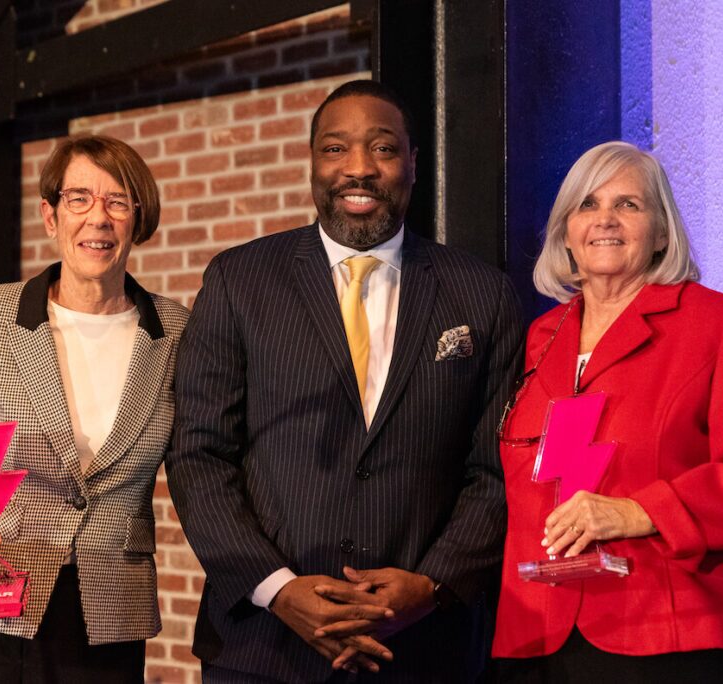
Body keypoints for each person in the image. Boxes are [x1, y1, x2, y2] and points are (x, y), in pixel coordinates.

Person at [166, 79, 524, 682]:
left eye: (382, 148)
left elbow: (495, 468)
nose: (358, 168)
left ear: (413, 162)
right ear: (312, 162)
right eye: (335, 149)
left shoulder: (481, 293)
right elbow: (199, 454)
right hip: (264, 650)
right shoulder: (239, 280)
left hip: (424, 650)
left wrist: (432, 585)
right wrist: (277, 590)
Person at [491, 141, 723, 681]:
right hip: (538, 640)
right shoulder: (539, 339)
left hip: (670, 635)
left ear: (662, 232)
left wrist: (639, 512)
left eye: (629, 205)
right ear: (565, 231)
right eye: (587, 205)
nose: (605, 220)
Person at [0, 135, 188, 682]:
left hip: (104, 620)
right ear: (50, 215)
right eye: (79, 199)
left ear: (138, 218)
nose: (98, 218)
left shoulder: (177, 332)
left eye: (118, 201)